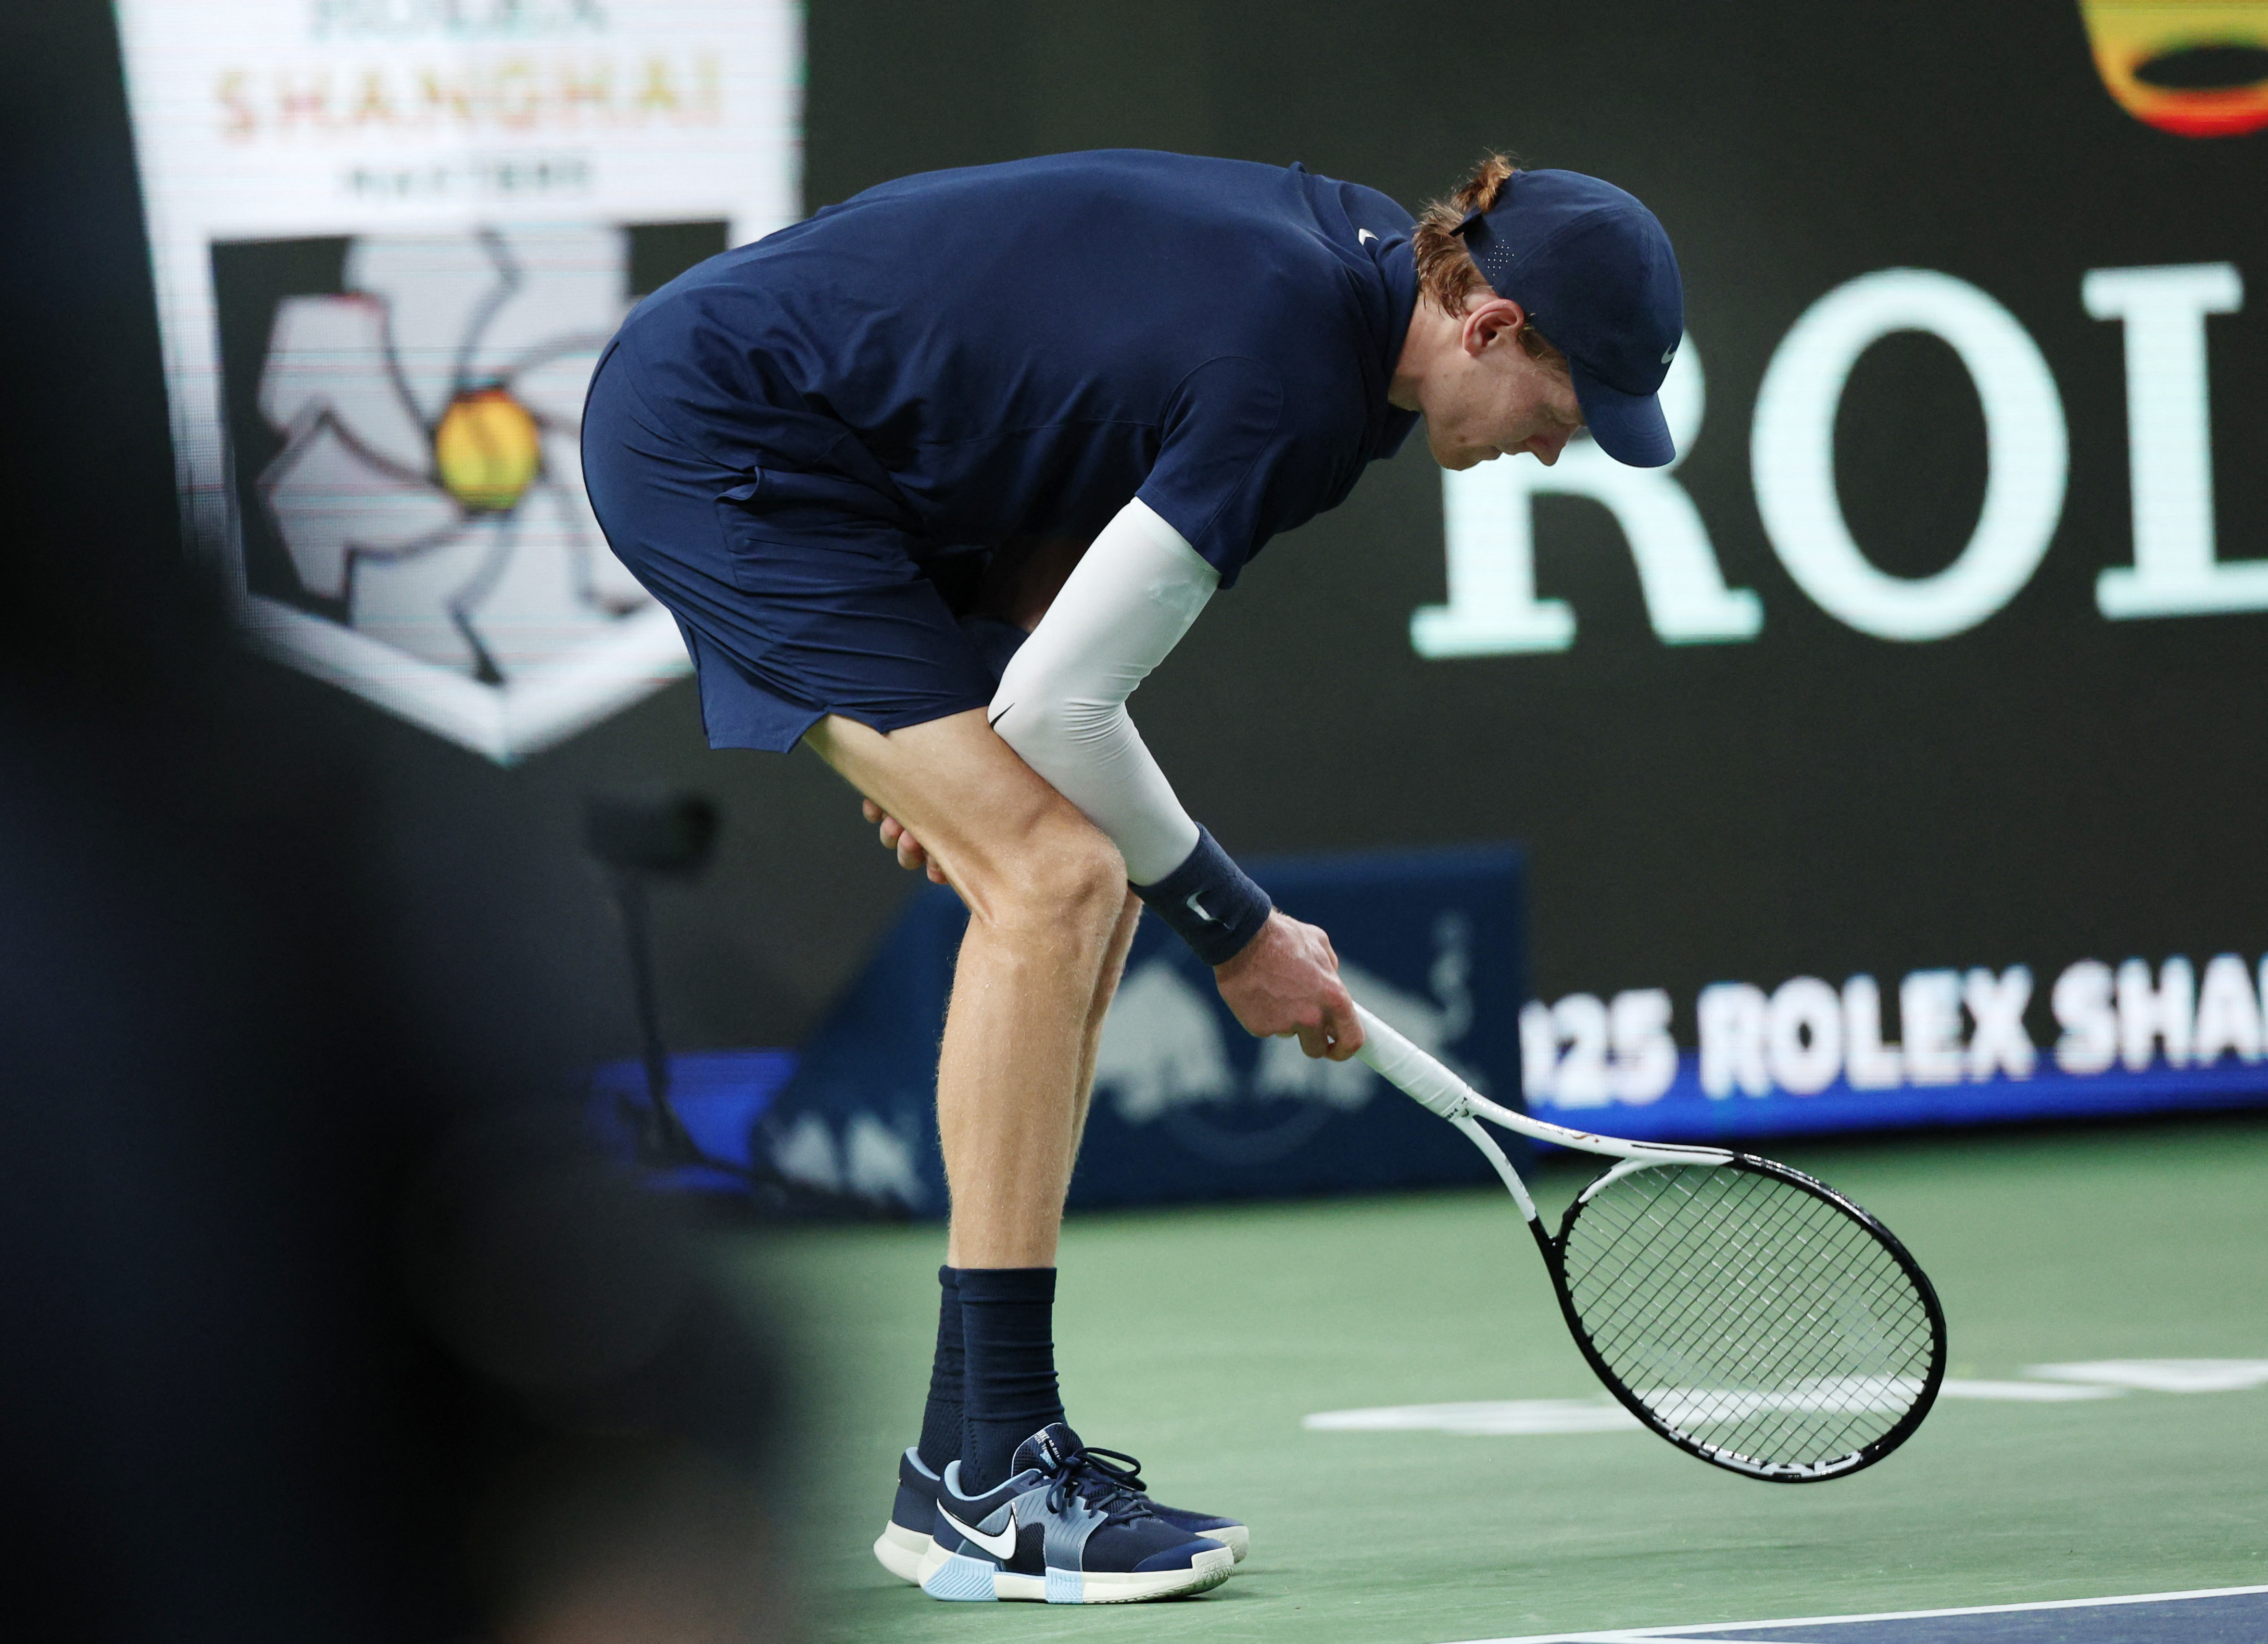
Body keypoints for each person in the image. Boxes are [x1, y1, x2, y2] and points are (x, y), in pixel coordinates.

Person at [581, 147, 1684, 1605]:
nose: (1561, 446)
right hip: (731, 437)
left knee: (1052, 875)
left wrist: (962, 690)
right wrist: (1240, 931)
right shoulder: (1298, 367)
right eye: (1569, 406)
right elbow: (1061, 712)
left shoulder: (1355, 317)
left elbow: (1068, 473)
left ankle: (954, 1466)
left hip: (854, 456)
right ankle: (997, 1474)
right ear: (1490, 326)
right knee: (1058, 882)